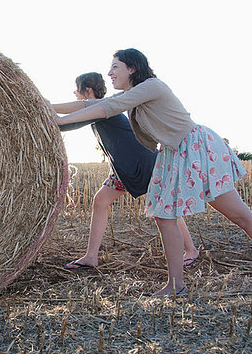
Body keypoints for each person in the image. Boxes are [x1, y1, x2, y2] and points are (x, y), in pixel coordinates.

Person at [53, 49, 252, 295]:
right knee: (165, 216)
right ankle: (176, 284)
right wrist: (49, 110)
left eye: (115, 66)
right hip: (176, 153)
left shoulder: (151, 86)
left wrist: (59, 120)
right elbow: (96, 104)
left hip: (194, 149)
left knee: (240, 216)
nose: (109, 73)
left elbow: (108, 106)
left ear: (132, 68)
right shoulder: (136, 99)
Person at [61, 72, 199, 270]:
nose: (75, 93)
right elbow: (75, 116)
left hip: (142, 163)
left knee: (166, 207)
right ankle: (91, 256)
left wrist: (50, 115)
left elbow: (74, 116)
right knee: (101, 201)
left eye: (77, 88)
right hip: (125, 168)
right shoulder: (102, 108)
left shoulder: (104, 108)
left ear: (88, 90)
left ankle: (191, 250)